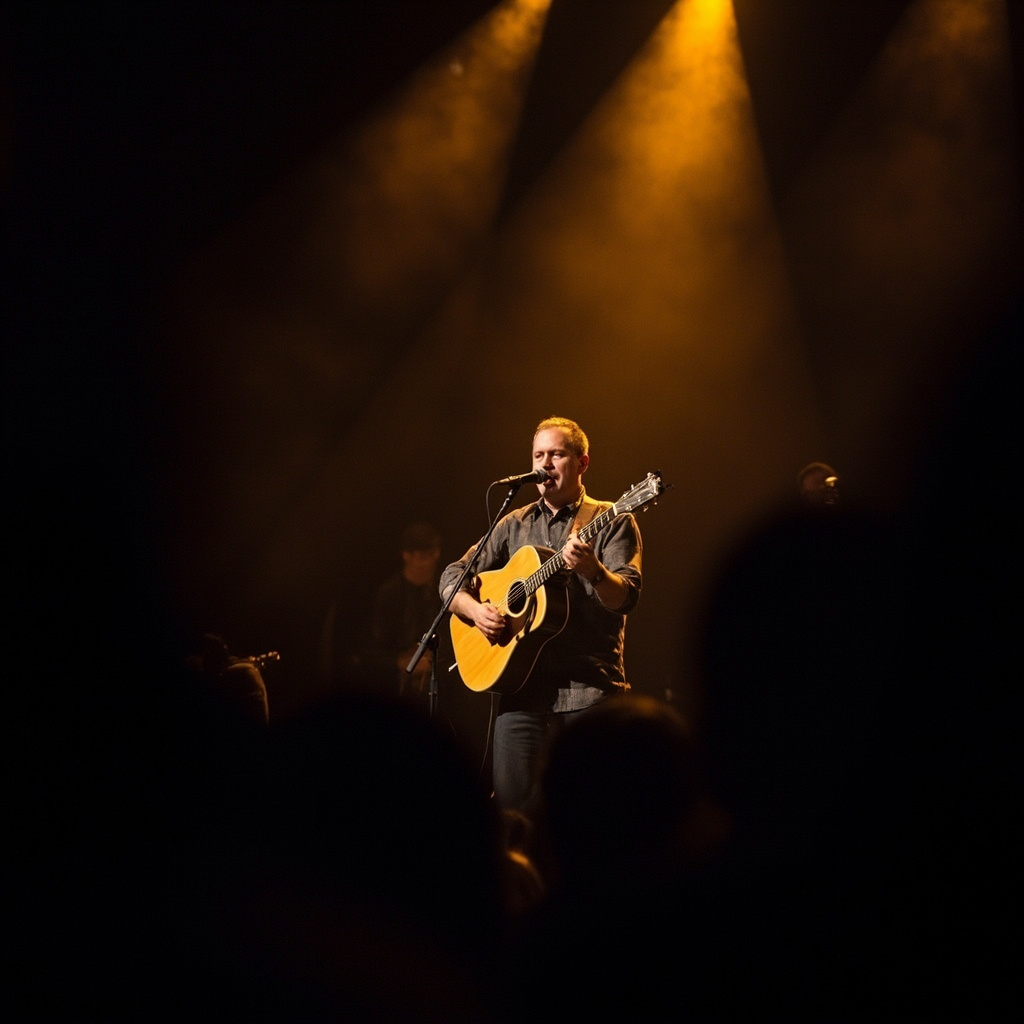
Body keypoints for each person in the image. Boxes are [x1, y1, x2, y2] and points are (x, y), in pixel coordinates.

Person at [440, 416, 643, 817]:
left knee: (593, 817)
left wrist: (593, 572)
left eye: (557, 454)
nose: (545, 463)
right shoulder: (512, 524)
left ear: (582, 463)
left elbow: (626, 597)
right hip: (521, 697)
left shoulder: (614, 519)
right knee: (515, 818)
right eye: (538, 455)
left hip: (589, 693)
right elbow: (450, 578)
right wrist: (476, 611)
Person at [370, 521, 443, 697]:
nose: (429, 562)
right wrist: (401, 662)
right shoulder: (391, 594)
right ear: (406, 556)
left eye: (433, 554)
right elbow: (372, 651)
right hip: (398, 684)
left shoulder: (441, 587)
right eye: (422, 556)